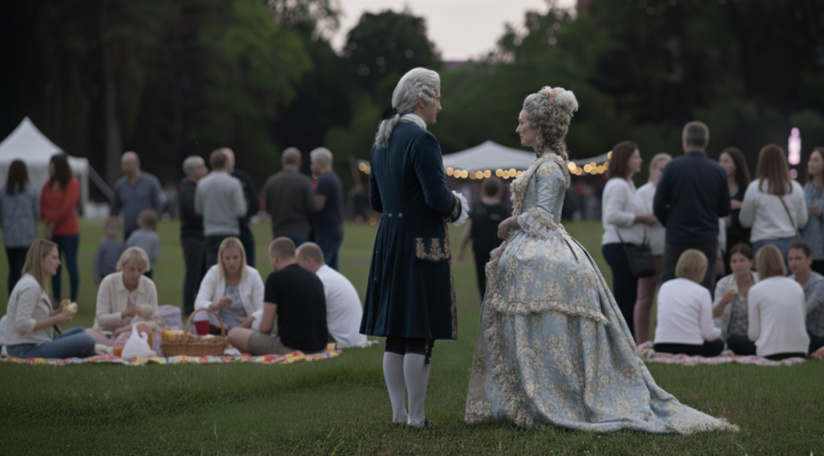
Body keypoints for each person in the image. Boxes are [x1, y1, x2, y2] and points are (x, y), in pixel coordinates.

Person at [465, 86, 734, 433]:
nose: (518, 129)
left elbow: (544, 216)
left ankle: (549, 391)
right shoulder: (545, 163)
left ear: (540, 126)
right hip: (536, 248)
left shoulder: (549, 167)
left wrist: (510, 221)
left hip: (544, 248)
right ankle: (526, 392)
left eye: (523, 122)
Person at [361, 68, 468, 428]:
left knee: (396, 332)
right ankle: (417, 417)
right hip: (421, 242)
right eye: (437, 97)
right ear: (422, 100)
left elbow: (376, 200)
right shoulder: (423, 141)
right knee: (419, 331)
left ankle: (398, 414)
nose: (440, 104)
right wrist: (458, 207)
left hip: (389, 240)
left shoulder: (381, 141)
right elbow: (436, 197)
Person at [654, 121, 730, 293]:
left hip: (677, 237)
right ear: (705, 142)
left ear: (685, 141)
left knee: (670, 285)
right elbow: (724, 209)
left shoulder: (673, 167)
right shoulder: (717, 171)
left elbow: (658, 205)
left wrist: (672, 222)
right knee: (704, 287)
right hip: (707, 237)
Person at [226, 237, 328, 355]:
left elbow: (266, 328)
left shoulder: (275, 279)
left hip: (292, 349)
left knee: (234, 333)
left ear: (275, 258)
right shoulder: (314, 278)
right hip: (320, 347)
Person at [601, 141, 658, 337]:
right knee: (625, 298)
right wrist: (641, 218)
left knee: (629, 297)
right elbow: (611, 216)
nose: (639, 160)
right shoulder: (618, 185)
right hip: (620, 246)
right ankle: (621, 342)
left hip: (626, 246)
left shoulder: (628, 184)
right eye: (635, 157)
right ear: (625, 161)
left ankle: (626, 341)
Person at [5, 239, 96, 359]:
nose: (58, 262)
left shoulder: (36, 282)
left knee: (80, 331)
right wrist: (55, 320)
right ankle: (89, 354)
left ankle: (86, 353)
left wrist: (59, 311)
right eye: (54, 258)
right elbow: (22, 324)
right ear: (40, 260)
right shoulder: (30, 286)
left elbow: (36, 316)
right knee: (87, 339)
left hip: (35, 342)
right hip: (24, 350)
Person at [739, 144, 807, 261]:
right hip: (790, 242)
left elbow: (745, 221)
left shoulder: (755, 187)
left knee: (766, 278)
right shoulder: (795, 187)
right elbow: (802, 221)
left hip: (763, 240)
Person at [653, 249, 724, 357]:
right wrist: (720, 331)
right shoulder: (702, 292)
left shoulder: (664, 287)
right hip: (692, 347)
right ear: (702, 270)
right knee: (718, 345)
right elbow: (708, 334)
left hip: (661, 345)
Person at [86, 247, 160, 351]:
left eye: (140, 270)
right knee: (87, 335)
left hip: (136, 335)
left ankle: (113, 348)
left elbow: (155, 322)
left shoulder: (149, 285)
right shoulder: (108, 282)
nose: (136, 274)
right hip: (107, 334)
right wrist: (123, 314)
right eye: (132, 269)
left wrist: (128, 329)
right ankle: (117, 347)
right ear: (122, 267)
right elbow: (101, 319)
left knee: (160, 337)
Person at [296, 242, 367, 348]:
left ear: (308, 261)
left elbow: (309, 318)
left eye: (298, 265)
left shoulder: (321, 281)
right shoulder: (330, 275)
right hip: (354, 340)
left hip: (342, 342)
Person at [747, 245, 809, 360]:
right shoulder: (796, 286)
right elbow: (802, 320)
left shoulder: (756, 290)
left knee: (735, 340)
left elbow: (753, 334)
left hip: (770, 351)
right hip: (800, 349)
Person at [633, 153, 670, 345]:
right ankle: (642, 342)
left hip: (670, 251)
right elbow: (638, 218)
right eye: (660, 169)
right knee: (644, 299)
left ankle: (665, 340)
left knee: (667, 300)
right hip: (649, 252)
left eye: (667, 169)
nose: (663, 173)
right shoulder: (643, 192)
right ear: (652, 171)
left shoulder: (674, 190)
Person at [194, 237, 264, 332]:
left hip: (245, 327)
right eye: (227, 258)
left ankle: (251, 341)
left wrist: (251, 318)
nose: (232, 262)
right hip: (219, 326)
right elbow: (199, 302)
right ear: (221, 259)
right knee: (200, 311)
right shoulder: (213, 272)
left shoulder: (253, 275)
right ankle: (205, 341)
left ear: (242, 257)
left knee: (260, 319)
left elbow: (263, 308)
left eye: (235, 257)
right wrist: (216, 305)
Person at [457, 177, 509, 299]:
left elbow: (467, 231)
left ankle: (484, 303)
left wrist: (461, 249)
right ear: (499, 191)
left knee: (481, 280)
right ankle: (496, 304)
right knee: (497, 281)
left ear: (483, 189)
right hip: (497, 252)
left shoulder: (477, 207)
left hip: (479, 251)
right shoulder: (502, 210)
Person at [195, 148, 247, 267]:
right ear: (226, 163)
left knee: (213, 267)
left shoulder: (202, 184)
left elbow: (198, 209)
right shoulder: (234, 183)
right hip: (230, 230)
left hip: (211, 231)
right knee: (231, 267)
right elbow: (240, 210)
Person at [40, 153, 80, 303]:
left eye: (52, 166)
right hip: (53, 233)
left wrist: (51, 221)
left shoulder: (72, 183)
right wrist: (48, 222)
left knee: (71, 266)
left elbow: (67, 207)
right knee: (53, 267)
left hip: (69, 232)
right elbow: (42, 205)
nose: (50, 169)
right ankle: (56, 298)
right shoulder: (47, 185)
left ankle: (73, 297)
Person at [261, 148, 316, 246]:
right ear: (299, 162)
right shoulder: (305, 182)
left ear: (282, 161)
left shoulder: (271, 182)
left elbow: (268, 208)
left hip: (279, 230)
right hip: (300, 229)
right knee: (300, 260)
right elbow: (311, 207)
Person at [1, 159, 39, 296]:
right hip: (27, 236)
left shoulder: (3, 191)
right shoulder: (31, 191)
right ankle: (22, 296)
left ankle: (13, 296)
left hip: (9, 237)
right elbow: (37, 213)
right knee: (23, 270)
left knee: (12, 269)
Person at [712, 243, 757, 355]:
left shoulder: (760, 282)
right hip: (730, 338)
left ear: (751, 262)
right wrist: (723, 302)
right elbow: (714, 314)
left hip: (756, 337)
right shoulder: (723, 284)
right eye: (734, 261)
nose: (738, 265)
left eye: (742, 261)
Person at [179, 155, 208, 317]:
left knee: (202, 273)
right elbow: (194, 214)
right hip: (192, 237)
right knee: (193, 272)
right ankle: (188, 307)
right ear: (191, 171)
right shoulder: (187, 189)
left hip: (201, 236)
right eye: (200, 167)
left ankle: (199, 304)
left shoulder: (198, 187)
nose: (205, 170)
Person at [110, 151, 163, 240]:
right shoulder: (120, 185)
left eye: (127, 165)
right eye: (123, 165)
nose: (124, 168)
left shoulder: (151, 183)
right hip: (128, 230)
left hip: (147, 230)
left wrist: (153, 223)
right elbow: (114, 209)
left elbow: (158, 205)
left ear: (137, 163)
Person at [786, 241, 824, 354]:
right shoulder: (788, 281)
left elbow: (805, 309)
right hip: (796, 333)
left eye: (798, 258)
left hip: (817, 336)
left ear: (809, 260)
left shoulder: (820, 283)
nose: (793, 263)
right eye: (790, 259)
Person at [310, 147, 344, 270]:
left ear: (319, 162)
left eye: (312, 162)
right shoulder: (333, 178)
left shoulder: (324, 180)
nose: (311, 166)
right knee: (331, 270)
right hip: (334, 229)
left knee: (320, 268)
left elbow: (318, 205)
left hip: (326, 231)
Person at [718, 147, 752, 271]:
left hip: (741, 239)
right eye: (720, 161)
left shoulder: (746, 189)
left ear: (736, 165)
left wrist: (742, 206)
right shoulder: (715, 188)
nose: (722, 165)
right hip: (721, 241)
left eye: (726, 162)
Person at [224, 148, 259, 267]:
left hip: (242, 226)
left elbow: (254, 201)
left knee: (248, 259)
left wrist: (246, 216)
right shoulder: (235, 180)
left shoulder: (242, 177)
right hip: (225, 226)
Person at [801, 147, 824, 274]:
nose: (811, 163)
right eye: (810, 160)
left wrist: (821, 214)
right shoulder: (806, 188)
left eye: (816, 160)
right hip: (807, 246)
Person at [126, 209, 160, 279]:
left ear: (141, 221)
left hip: (134, 266)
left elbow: (128, 246)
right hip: (148, 267)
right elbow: (155, 254)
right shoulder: (154, 237)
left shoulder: (135, 234)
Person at [93, 217, 126, 285]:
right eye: (111, 228)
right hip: (104, 274)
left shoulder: (120, 244)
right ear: (105, 229)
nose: (113, 231)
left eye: (115, 229)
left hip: (117, 273)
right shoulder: (103, 243)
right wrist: (97, 274)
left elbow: (123, 259)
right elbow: (98, 259)